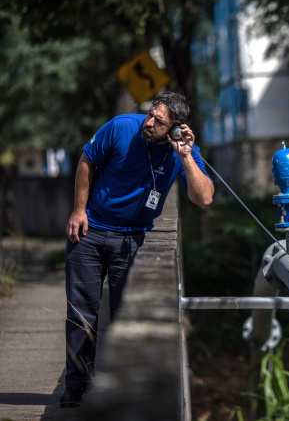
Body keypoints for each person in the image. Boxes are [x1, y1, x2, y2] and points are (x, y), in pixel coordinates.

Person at [61, 91, 214, 408]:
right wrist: (78, 210)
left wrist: (185, 155)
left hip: (132, 239)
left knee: (126, 318)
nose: (149, 122)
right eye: (150, 114)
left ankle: (118, 393)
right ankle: (76, 388)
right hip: (90, 230)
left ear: (175, 128)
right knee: (81, 316)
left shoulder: (182, 151)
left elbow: (204, 198)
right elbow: (87, 160)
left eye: (159, 121)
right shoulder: (120, 127)